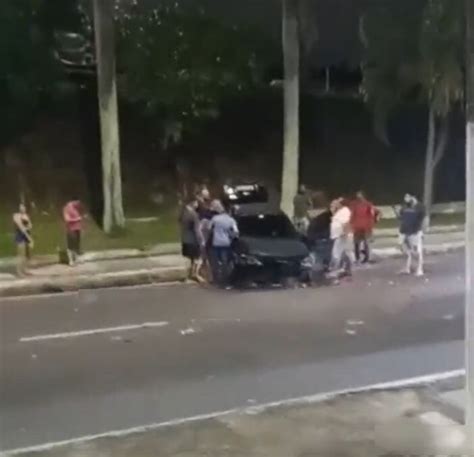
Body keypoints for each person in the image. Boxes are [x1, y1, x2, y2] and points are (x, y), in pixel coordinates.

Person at [209, 201, 239, 288]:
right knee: (225, 263)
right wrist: (230, 236)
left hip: (216, 242)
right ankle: (225, 282)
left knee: (216, 263)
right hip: (226, 243)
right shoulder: (231, 220)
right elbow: (236, 232)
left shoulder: (215, 218)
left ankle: (216, 281)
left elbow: (209, 228)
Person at [398, 193, 425, 277]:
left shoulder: (419, 207)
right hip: (405, 231)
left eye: (408, 197)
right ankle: (407, 268)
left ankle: (419, 269)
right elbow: (401, 217)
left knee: (417, 252)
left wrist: (421, 231)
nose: (406, 198)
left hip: (415, 232)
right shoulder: (405, 207)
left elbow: (421, 219)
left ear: (413, 197)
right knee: (407, 251)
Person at [350, 191, 380, 264]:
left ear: (364, 196)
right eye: (358, 195)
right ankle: (358, 258)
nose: (359, 197)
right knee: (357, 243)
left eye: (360, 195)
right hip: (358, 227)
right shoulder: (355, 204)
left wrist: (374, 221)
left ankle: (365, 258)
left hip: (366, 227)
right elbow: (352, 215)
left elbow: (376, 212)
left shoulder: (368, 204)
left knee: (365, 243)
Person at [179, 198, 204, 282]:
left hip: (185, 238)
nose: (197, 204)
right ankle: (195, 274)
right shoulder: (194, 215)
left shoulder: (183, 213)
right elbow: (197, 229)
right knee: (198, 258)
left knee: (189, 258)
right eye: (196, 202)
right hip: (193, 240)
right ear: (193, 203)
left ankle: (187, 276)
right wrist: (201, 240)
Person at [329, 198, 353, 278]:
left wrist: (345, 234)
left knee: (336, 253)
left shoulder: (344, 211)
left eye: (337, 202)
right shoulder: (340, 212)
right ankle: (347, 269)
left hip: (342, 235)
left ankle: (335, 271)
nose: (336, 203)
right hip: (340, 235)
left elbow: (346, 223)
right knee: (344, 253)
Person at [13, 203, 33, 276]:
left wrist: (27, 228)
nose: (22, 208)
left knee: (26, 255)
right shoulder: (16, 215)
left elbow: (30, 226)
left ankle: (25, 270)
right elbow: (21, 227)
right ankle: (19, 271)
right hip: (20, 236)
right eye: (21, 207)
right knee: (20, 254)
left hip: (27, 235)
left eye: (23, 207)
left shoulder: (26, 215)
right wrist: (29, 238)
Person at [63, 199, 84, 266]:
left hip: (77, 229)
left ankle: (76, 259)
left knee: (76, 245)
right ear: (73, 201)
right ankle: (71, 260)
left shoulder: (75, 208)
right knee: (71, 245)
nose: (78, 205)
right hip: (71, 229)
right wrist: (77, 219)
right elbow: (67, 219)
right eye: (78, 203)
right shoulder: (67, 208)